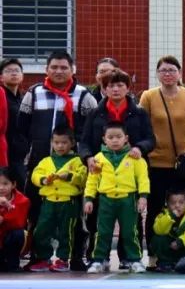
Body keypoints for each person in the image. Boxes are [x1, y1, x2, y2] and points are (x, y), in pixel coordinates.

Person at [17, 50, 97, 269]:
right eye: (54, 67)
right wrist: (31, 152)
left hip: (74, 165)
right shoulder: (33, 93)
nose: (59, 71)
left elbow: (92, 131)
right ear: (46, 69)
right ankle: (38, 256)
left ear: (73, 69)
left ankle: (75, 257)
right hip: (40, 164)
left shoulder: (83, 95)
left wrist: (82, 153)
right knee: (37, 213)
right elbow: (21, 128)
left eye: (64, 67)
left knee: (76, 216)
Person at [80, 70, 155, 265]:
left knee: (131, 223)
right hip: (102, 171)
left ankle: (129, 258)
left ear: (128, 88)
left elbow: (150, 139)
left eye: (120, 85)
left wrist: (140, 147)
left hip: (129, 169)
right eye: (111, 85)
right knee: (98, 221)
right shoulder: (96, 113)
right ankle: (97, 258)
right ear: (104, 89)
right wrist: (88, 158)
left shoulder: (138, 113)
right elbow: (85, 141)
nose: (115, 89)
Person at [139, 56, 185, 256]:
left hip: (181, 163)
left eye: (172, 70)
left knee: (180, 208)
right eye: (163, 70)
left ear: (180, 74)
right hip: (156, 162)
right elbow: (142, 125)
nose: (168, 74)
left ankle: (180, 250)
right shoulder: (148, 96)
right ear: (157, 74)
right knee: (156, 210)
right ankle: (155, 254)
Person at [83, 122, 150, 273]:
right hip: (106, 200)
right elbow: (92, 180)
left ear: (126, 138)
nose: (114, 140)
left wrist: (143, 197)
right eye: (110, 137)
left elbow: (143, 178)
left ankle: (134, 260)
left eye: (118, 137)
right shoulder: (98, 158)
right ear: (104, 139)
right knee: (103, 231)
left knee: (130, 231)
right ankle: (99, 260)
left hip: (128, 199)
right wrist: (88, 198)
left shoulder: (135, 157)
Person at [26, 126, 86, 272]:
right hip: (49, 201)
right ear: (52, 143)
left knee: (67, 231)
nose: (60, 146)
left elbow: (83, 177)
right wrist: (43, 180)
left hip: (69, 201)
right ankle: (43, 258)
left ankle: (63, 259)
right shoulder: (46, 161)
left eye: (64, 142)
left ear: (72, 143)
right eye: (56, 142)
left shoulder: (77, 161)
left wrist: (70, 176)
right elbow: (35, 175)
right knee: (42, 229)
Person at [149, 189, 185, 272]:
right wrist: (170, 217)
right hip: (170, 248)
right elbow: (158, 230)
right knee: (157, 239)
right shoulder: (163, 214)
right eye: (173, 203)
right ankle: (166, 262)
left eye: (181, 202)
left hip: (184, 246)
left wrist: (181, 242)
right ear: (167, 204)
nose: (177, 205)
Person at [2, 58, 29, 186]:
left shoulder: (23, 98)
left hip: (20, 154)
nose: (13, 73)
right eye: (8, 71)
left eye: (17, 70)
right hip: (6, 154)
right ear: (1, 77)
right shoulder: (2, 97)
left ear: (22, 76)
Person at [0, 166, 29, 272]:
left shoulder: (22, 200)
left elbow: (18, 223)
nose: (1, 188)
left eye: (5, 183)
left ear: (14, 184)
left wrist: (3, 217)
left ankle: (13, 263)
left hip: (8, 239)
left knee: (18, 233)